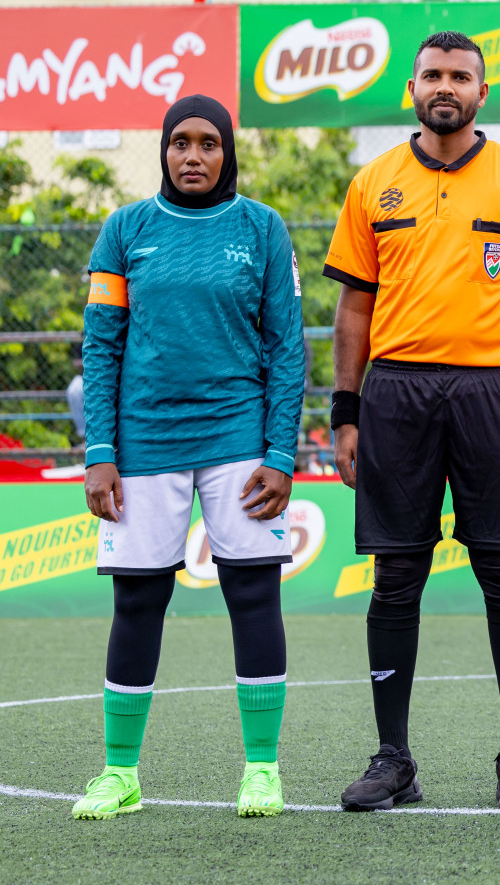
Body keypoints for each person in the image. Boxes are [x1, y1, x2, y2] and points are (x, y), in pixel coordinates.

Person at [325, 32, 500, 810]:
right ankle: (394, 759)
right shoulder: (373, 184)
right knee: (396, 577)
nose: (445, 85)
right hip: (395, 395)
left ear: (483, 92)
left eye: (460, 75)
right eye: (432, 75)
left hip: (495, 394)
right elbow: (353, 306)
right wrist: (346, 411)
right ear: (413, 89)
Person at [75, 95, 304, 819]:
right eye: (181, 143)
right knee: (138, 601)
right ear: (164, 150)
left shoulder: (262, 229)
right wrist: (101, 451)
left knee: (253, 592)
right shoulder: (125, 230)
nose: (194, 155)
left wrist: (280, 451)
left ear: (228, 152)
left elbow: (286, 347)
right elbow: (101, 345)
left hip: (238, 437)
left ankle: (261, 769)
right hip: (143, 444)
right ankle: (121, 775)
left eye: (209, 143)